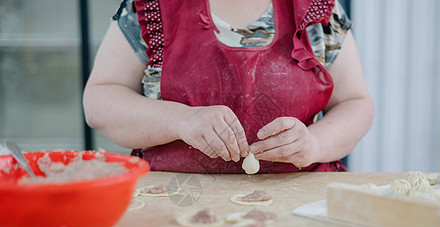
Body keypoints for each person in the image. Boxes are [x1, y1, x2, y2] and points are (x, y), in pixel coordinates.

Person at [83, 0, 374, 173]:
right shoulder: (152, 6)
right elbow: (100, 101)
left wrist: (314, 143)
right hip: (174, 206)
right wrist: (181, 120)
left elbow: (355, 103)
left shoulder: (316, 9)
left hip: (299, 212)